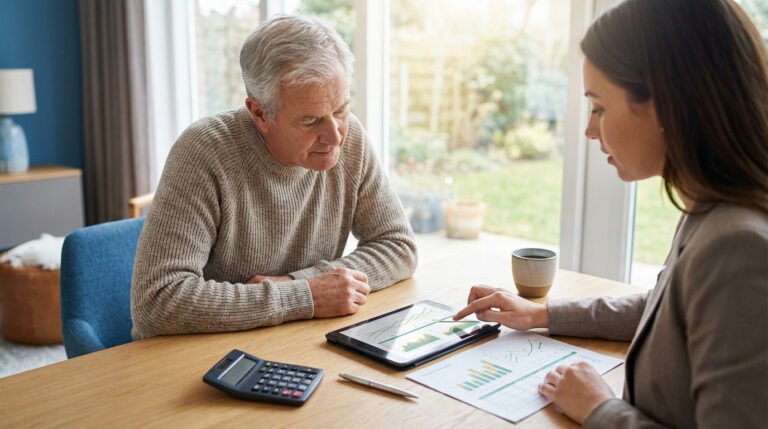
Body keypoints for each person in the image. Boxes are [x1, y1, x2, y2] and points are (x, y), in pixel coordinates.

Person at [454, 0, 768, 427]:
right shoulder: (711, 208)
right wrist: (542, 315)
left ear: (666, 104)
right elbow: (668, 310)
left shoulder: (737, 245)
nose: (588, 129)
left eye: (599, 107)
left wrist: (601, 409)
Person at [131, 15, 417, 338]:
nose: (335, 137)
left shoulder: (352, 142)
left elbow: (398, 247)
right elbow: (157, 301)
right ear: (259, 114)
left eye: (341, 110)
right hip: (200, 354)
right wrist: (306, 296)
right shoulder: (204, 152)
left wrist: (301, 284)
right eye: (311, 121)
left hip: (291, 340)